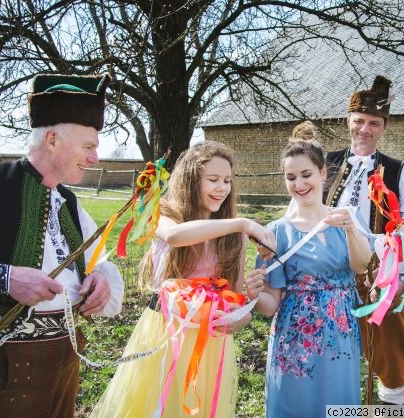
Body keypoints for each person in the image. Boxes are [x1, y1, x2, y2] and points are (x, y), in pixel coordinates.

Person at [0, 73, 124, 417]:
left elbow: (98, 260)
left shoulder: (70, 203)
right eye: (88, 146)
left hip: (64, 367)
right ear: (51, 139)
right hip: (3, 371)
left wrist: (103, 279)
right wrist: (3, 278)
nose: (94, 158)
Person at [91, 141, 274, 418]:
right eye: (212, 180)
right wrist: (243, 223)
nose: (222, 188)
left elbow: (235, 302)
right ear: (190, 180)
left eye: (227, 180)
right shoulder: (164, 214)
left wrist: (243, 313)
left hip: (209, 345)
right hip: (163, 335)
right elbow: (176, 237)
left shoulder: (233, 237)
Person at [254, 134, 373, 418]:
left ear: (323, 173)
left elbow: (361, 266)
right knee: (295, 405)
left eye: (306, 174)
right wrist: (251, 293)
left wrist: (351, 230)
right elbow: (271, 304)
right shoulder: (276, 232)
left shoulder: (343, 219)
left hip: (340, 334)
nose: (299, 184)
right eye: (291, 177)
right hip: (293, 338)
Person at [324, 75, 404, 404]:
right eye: (359, 121)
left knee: (388, 351)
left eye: (374, 123)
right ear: (348, 121)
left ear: (383, 127)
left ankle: (392, 402)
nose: (365, 129)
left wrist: (398, 278)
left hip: (379, 274)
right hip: (330, 274)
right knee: (333, 350)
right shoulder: (325, 164)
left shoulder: (398, 172)